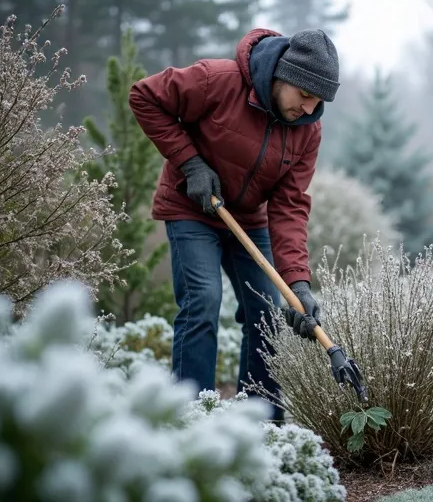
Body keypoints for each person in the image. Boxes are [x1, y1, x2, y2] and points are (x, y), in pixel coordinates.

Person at [128, 28, 340, 422]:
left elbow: (290, 205)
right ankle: (192, 418)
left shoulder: (307, 130)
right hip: (192, 207)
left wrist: (298, 283)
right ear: (283, 75)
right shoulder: (218, 80)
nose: (310, 109)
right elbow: (144, 96)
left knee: (267, 311)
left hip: (249, 219)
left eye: (319, 101)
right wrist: (190, 163)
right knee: (203, 301)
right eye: (305, 96)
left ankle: (259, 421)